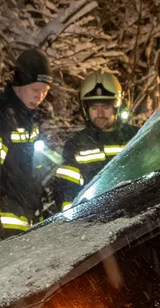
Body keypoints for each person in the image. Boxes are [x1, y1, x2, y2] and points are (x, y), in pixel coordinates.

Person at [0, 48, 52, 249]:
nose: (39, 97)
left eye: (45, 91)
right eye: (35, 89)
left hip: (19, 225)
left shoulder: (25, 118)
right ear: (21, 82)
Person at [53, 72, 139, 211]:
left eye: (105, 107)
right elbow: (66, 190)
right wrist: (74, 221)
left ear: (117, 107)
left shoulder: (135, 137)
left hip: (134, 215)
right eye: (94, 107)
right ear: (86, 109)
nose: (100, 114)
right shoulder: (76, 145)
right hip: (95, 221)